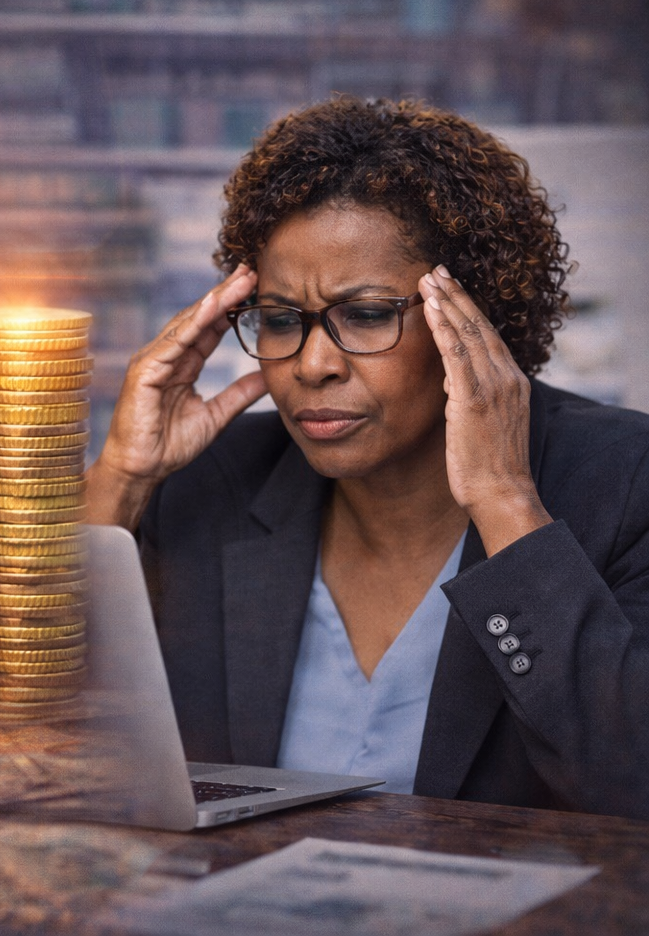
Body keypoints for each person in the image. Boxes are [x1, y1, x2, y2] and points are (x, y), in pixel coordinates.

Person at [89, 96, 649, 819]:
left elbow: (631, 782)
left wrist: (506, 502)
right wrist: (122, 480)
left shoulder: (625, 483)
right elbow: (27, 728)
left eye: (366, 314)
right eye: (282, 320)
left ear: (475, 317)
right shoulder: (211, 484)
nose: (312, 363)